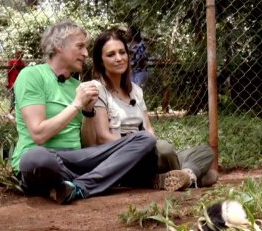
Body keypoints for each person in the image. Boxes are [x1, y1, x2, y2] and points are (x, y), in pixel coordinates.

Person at [11, 20, 158, 204]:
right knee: (34, 157)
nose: (86, 54)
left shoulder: (79, 86)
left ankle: (78, 187)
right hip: (45, 159)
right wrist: (77, 105)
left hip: (78, 160)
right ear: (58, 45)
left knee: (144, 139)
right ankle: (90, 180)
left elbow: (89, 144)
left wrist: (88, 112)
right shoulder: (32, 75)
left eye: (86, 48)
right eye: (80, 46)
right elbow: (39, 134)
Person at [82, 29, 217, 191]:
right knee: (168, 151)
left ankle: (179, 177)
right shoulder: (98, 89)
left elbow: (149, 129)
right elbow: (103, 137)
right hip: (123, 158)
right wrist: (137, 145)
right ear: (100, 61)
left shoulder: (136, 91)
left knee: (205, 151)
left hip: (148, 154)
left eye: (122, 52)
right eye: (111, 55)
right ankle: (187, 176)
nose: (118, 58)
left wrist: (148, 144)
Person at [7, 48, 26, 115]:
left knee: (20, 98)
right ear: (15, 54)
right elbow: (8, 73)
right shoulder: (12, 62)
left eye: (22, 53)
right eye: (19, 53)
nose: (21, 54)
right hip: (13, 83)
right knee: (13, 98)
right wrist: (8, 82)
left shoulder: (23, 63)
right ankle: (9, 113)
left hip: (20, 83)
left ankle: (17, 113)